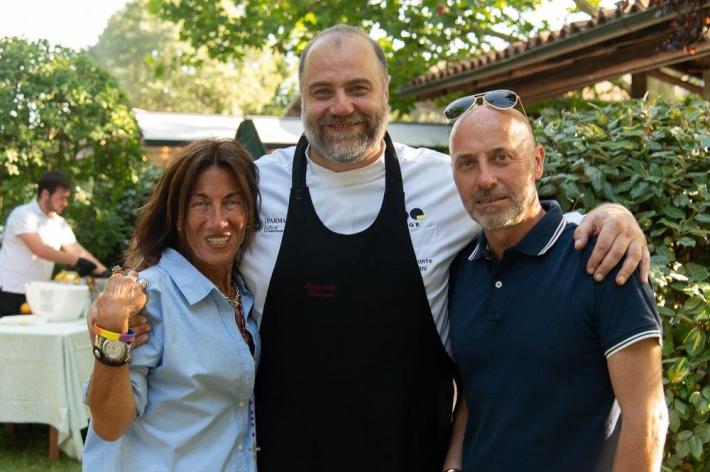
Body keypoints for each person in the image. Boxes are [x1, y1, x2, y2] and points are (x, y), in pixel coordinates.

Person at [104, 25, 650, 472]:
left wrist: (609, 217)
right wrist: (120, 315)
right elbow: (184, 252)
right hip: (285, 458)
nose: (341, 106)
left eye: (358, 88)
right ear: (302, 99)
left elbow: (518, 210)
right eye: (322, 91)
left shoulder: (445, 180)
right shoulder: (256, 186)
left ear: (385, 91)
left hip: (414, 456)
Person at [443, 100, 667, 471]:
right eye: (467, 163)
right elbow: (477, 391)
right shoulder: (462, 270)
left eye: (501, 157)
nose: (485, 179)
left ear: (537, 162)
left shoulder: (602, 258)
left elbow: (647, 416)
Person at [83, 139, 261, 471]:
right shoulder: (148, 298)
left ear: (249, 213)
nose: (218, 221)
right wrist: (111, 332)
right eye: (200, 204)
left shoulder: (244, 293)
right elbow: (109, 424)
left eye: (231, 202)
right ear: (177, 215)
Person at [0, 171, 108, 316]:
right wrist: (77, 261)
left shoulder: (59, 223)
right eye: (61, 198)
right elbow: (40, 250)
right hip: (10, 291)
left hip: (38, 294)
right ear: (45, 194)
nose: (65, 203)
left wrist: (105, 272)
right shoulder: (23, 214)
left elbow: (76, 250)